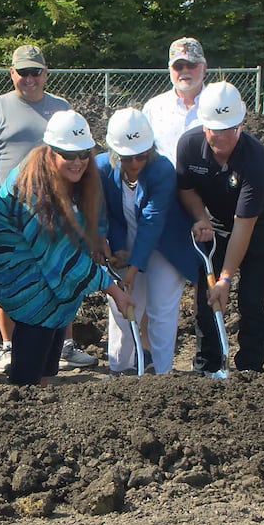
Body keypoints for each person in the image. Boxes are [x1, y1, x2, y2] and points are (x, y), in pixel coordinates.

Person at [0, 110, 134, 386]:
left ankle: (45, 381)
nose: (78, 162)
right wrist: (114, 291)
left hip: (40, 259)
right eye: (68, 154)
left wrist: (97, 242)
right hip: (8, 265)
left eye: (83, 154)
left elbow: (91, 215)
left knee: (62, 297)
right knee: (43, 302)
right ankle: (24, 387)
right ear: (50, 151)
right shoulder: (31, 187)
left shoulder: (79, 177)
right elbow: (58, 255)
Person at [0, 44, 96, 372]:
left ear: (45, 73)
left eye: (35, 72)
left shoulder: (60, 108)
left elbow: (77, 160)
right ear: (12, 73)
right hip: (13, 211)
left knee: (57, 273)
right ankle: (10, 347)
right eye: (22, 72)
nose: (29, 78)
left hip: (57, 209)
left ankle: (63, 345)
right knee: (19, 278)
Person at [177, 82, 264, 374]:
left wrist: (227, 277)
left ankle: (250, 368)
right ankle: (207, 365)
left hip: (262, 222)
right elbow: (186, 189)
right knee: (207, 294)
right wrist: (200, 217)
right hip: (217, 220)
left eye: (229, 129)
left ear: (241, 124)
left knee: (251, 294)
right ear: (203, 125)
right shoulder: (189, 146)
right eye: (214, 129)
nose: (220, 136)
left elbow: (244, 224)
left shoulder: (256, 158)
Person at [96, 108, 197, 375]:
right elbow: (101, 210)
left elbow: (153, 221)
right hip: (125, 244)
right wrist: (108, 243)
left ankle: (162, 374)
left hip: (165, 245)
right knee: (123, 306)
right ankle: (120, 370)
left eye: (142, 156)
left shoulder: (162, 169)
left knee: (161, 309)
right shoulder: (101, 168)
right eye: (128, 158)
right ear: (115, 153)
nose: (135, 164)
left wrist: (132, 268)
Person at [143, 37, 208, 168]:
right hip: (164, 184)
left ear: (204, 67)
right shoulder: (154, 108)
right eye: (178, 66)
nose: (185, 71)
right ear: (170, 69)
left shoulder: (217, 104)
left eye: (191, 65)